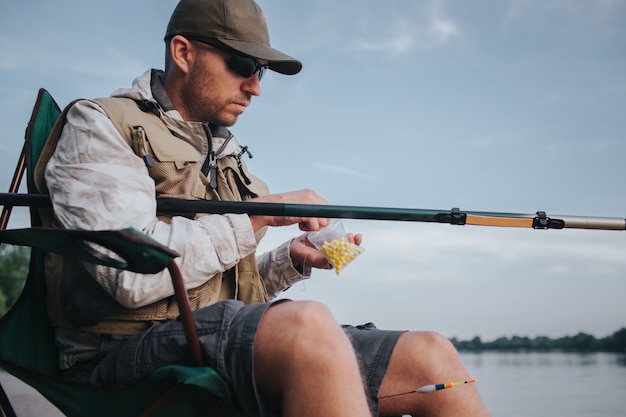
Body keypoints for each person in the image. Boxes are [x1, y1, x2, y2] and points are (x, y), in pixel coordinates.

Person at [39, 0, 491, 415]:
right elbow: (130, 276)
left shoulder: (225, 155)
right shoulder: (99, 124)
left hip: (208, 337)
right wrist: (256, 214)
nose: (255, 86)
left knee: (433, 357)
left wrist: (288, 261)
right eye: (242, 65)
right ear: (183, 52)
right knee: (307, 327)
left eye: (262, 71)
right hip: (114, 354)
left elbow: (222, 296)